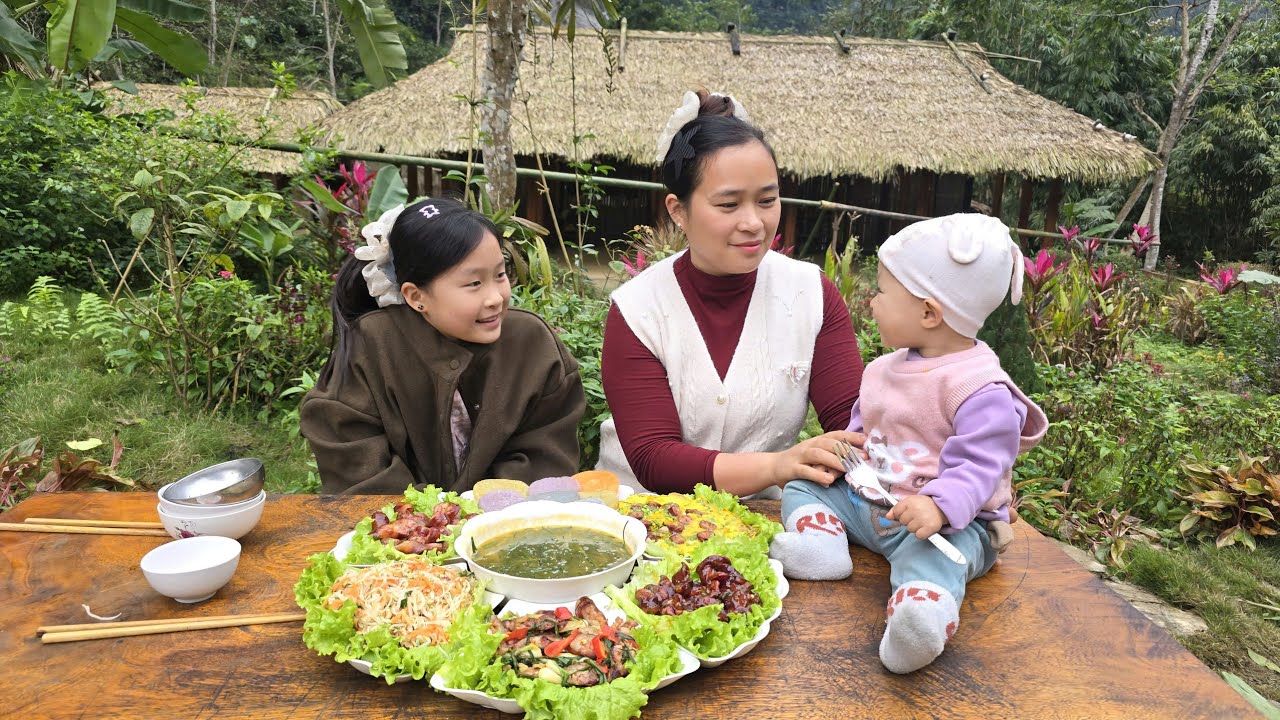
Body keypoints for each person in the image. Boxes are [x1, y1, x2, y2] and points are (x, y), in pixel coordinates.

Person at [768, 213, 1049, 674]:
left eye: (881, 291)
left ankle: (921, 618)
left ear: (928, 313)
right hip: (872, 501)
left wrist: (939, 507)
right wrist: (845, 459)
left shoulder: (980, 389)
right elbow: (866, 432)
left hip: (942, 526)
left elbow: (980, 466)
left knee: (936, 557)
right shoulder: (883, 369)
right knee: (803, 484)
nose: (871, 300)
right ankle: (823, 543)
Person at [596, 89, 865, 497]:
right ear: (678, 210)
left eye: (767, 200)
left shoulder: (811, 295)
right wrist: (776, 466)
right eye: (728, 205)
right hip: (641, 516)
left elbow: (853, 424)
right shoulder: (639, 310)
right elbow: (654, 458)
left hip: (761, 518)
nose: (753, 223)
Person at [301, 197, 586, 494]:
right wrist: (431, 515)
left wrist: (477, 510)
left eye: (500, 275)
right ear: (416, 296)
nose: (495, 298)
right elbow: (352, 456)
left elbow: (545, 457)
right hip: (396, 522)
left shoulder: (532, 345)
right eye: (474, 284)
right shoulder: (372, 345)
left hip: (505, 519)